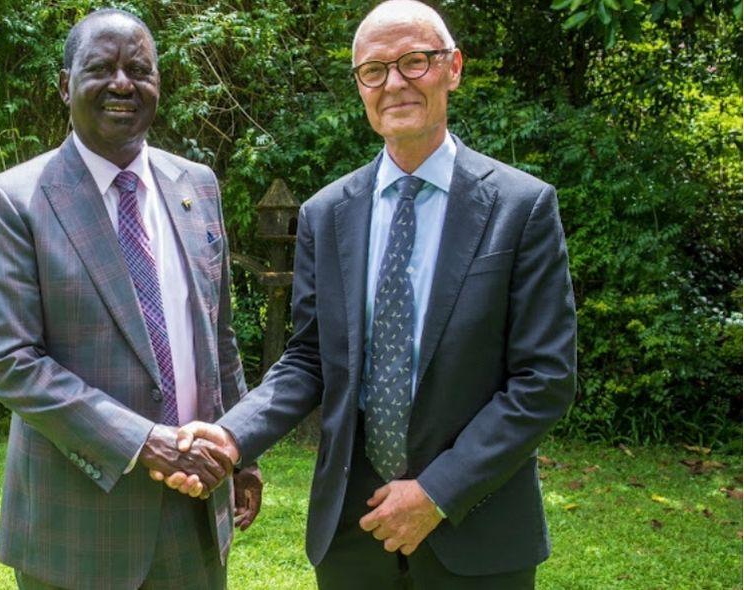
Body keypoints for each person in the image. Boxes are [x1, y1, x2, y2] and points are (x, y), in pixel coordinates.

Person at [157, 1, 577, 588]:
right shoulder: (327, 214)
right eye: (374, 70)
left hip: (477, 530)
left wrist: (436, 492)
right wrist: (232, 434)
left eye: (414, 61)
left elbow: (543, 380)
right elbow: (308, 358)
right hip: (352, 534)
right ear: (359, 85)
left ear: (452, 67)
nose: (394, 83)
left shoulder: (520, 208)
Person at [0, 8, 261, 589]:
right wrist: (145, 444)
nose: (122, 83)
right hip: (77, 526)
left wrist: (243, 452)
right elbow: (8, 361)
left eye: (140, 69)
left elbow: (217, 336)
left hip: (195, 509)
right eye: (101, 68)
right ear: (64, 85)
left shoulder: (197, 185)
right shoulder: (15, 201)